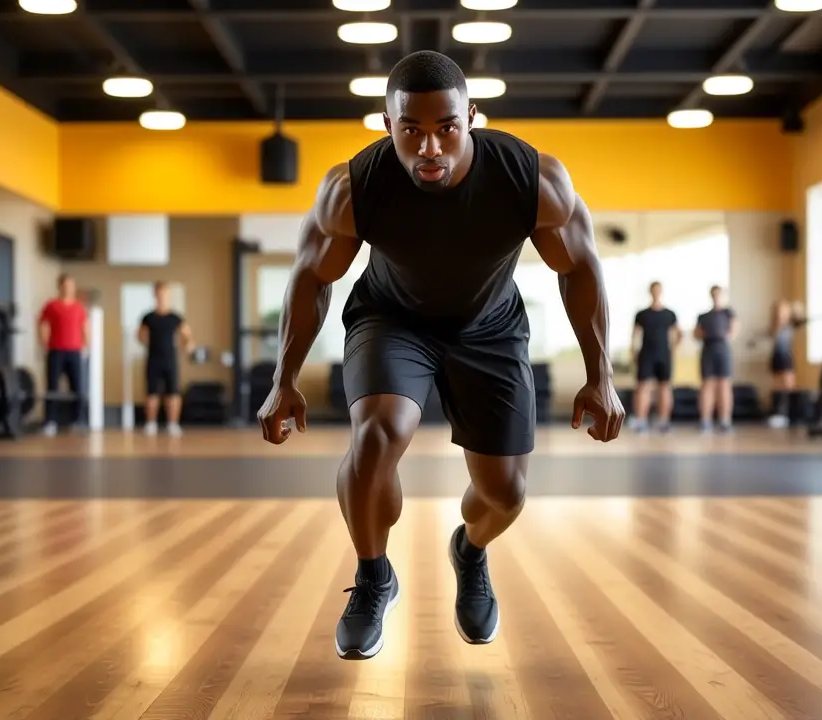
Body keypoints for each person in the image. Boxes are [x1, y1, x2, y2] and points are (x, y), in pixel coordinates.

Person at [256, 50, 623, 661]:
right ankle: (374, 577)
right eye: (411, 130)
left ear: (471, 117)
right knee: (376, 436)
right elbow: (311, 276)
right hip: (392, 320)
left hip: (491, 328)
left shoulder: (531, 179)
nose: (430, 147)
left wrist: (600, 375)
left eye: (446, 128)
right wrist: (284, 378)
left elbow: (580, 265)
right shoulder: (353, 188)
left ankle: (470, 552)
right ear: (386, 124)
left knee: (504, 494)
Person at [138, 281, 195, 436]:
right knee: (151, 393)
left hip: (170, 360)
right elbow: (141, 336)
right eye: (159, 294)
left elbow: (187, 335)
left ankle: (173, 424)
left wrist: (187, 346)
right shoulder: (148, 317)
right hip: (153, 359)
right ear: (155, 295)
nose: (162, 297)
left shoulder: (175, 318)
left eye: (164, 294)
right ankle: (151, 424)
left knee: (173, 393)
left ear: (168, 295)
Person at [37, 274, 88, 437]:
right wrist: (44, 344)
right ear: (60, 287)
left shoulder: (79, 307)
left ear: (74, 287)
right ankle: (50, 422)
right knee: (52, 387)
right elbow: (43, 325)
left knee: (77, 387)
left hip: (74, 351)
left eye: (70, 285)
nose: (68, 288)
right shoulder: (51, 305)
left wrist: (86, 347)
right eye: (65, 285)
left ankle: (77, 420)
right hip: (56, 350)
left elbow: (85, 328)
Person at [629, 281, 679, 433]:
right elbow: (634, 335)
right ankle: (641, 421)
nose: (656, 292)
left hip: (664, 354)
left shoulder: (669, 314)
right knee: (642, 387)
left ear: (661, 292)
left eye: (658, 290)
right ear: (650, 292)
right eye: (653, 290)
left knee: (664, 387)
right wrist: (633, 352)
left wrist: (673, 350)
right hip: (646, 354)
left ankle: (663, 421)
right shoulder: (642, 314)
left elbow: (679, 333)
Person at [694, 285, 738, 433]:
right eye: (714, 294)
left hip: (723, 350)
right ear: (711, 296)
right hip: (708, 350)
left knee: (724, 385)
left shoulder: (728, 313)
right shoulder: (703, 316)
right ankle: (705, 421)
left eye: (719, 294)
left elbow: (734, 329)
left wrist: (725, 336)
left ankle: (725, 421)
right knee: (707, 385)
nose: (716, 297)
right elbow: (696, 333)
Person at [765, 299, 805, 428]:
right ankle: (778, 414)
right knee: (779, 386)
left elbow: (801, 319)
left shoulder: (791, 323)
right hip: (778, 356)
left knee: (789, 385)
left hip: (786, 356)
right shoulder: (776, 326)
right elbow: (773, 336)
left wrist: (796, 308)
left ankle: (790, 414)